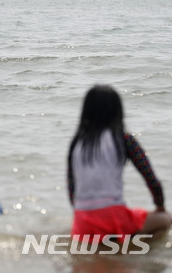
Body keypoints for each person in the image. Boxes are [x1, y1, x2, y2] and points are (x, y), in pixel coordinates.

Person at [67, 85, 171, 242]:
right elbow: (151, 179)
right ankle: (132, 252)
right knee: (165, 220)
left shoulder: (76, 143)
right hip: (113, 217)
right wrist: (160, 207)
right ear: (117, 112)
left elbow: (71, 189)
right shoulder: (123, 140)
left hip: (82, 223)